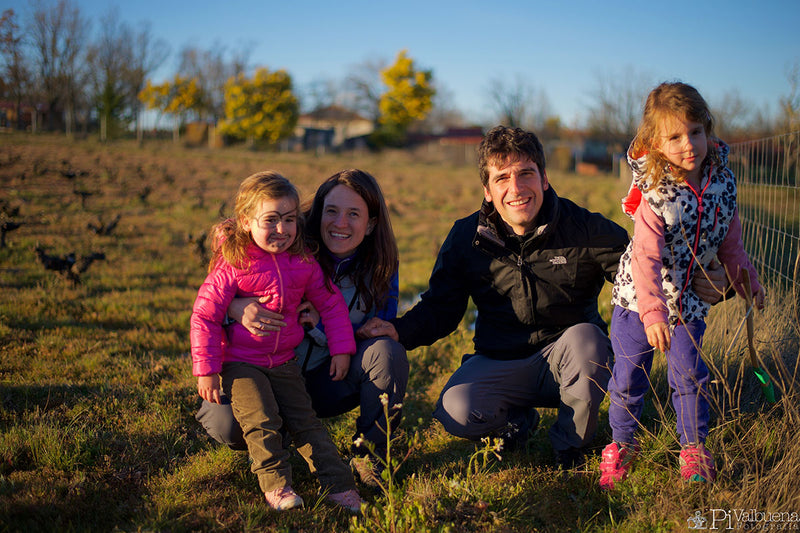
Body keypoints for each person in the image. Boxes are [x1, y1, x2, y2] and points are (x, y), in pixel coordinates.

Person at [359, 125, 731, 469]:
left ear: (544, 177)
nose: (516, 188)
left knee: (587, 339)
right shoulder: (465, 238)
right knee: (455, 408)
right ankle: (517, 424)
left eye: (525, 173)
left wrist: (716, 280)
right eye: (502, 178)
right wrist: (399, 331)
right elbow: (441, 308)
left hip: (572, 361)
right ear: (487, 191)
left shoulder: (585, 228)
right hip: (499, 358)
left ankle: (570, 446)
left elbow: (648, 269)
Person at [598, 82, 765, 489]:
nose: (688, 144)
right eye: (674, 137)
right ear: (656, 142)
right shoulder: (655, 194)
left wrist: (748, 281)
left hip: (687, 300)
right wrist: (653, 312)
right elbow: (645, 258)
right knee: (628, 375)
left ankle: (692, 450)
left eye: (695, 131)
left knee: (689, 375)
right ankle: (622, 445)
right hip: (638, 300)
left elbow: (731, 243)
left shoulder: (723, 186)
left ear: (707, 130)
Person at [196, 169, 408, 487]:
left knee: (386, 352)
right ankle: (277, 433)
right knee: (228, 428)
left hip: (327, 378)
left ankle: (372, 458)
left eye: (354, 214)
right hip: (261, 372)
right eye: (332, 211)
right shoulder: (286, 246)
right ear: (316, 213)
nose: (340, 223)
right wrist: (234, 308)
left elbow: (375, 330)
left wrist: (322, 329)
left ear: (371, 224)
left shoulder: (380, 268)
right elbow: (212, 298)